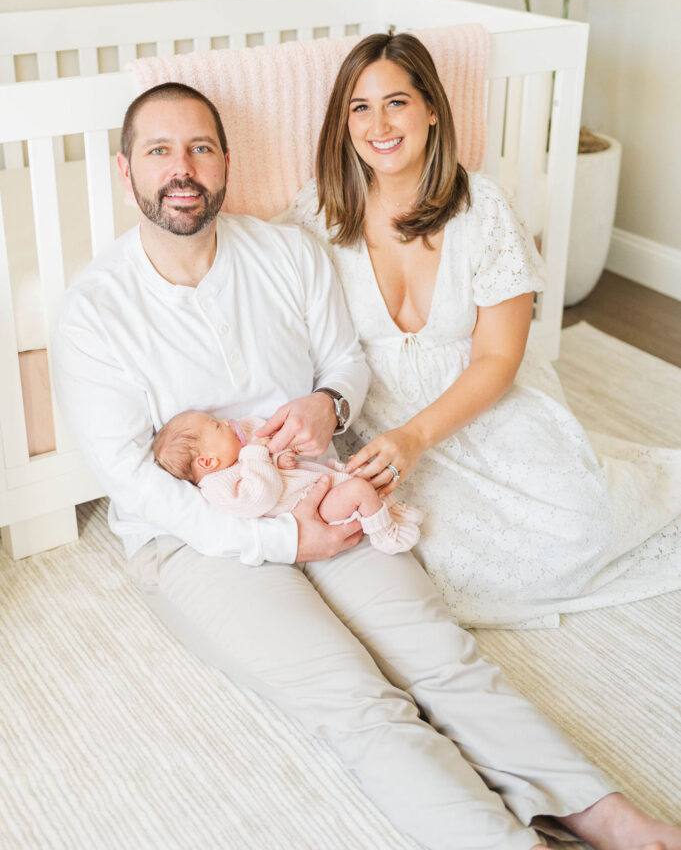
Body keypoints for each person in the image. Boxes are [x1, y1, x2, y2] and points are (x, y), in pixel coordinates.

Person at [52, 81, 680, 850]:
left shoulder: (283, 252)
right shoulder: (94, 308)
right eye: (159, 151)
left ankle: (602, 813)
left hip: (319, 487)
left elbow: (343, 363)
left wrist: (329, 406)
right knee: (356, 701)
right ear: (127, 172)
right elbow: (132, 479)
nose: (181, 168)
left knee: (441, 657)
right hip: (193, 539)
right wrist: (284, 546)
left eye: (200, 148)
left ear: (224, 164)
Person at [283, 31, 681, 631]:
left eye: (397, 102)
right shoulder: (317, 213)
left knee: (584, 523)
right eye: (359, 108)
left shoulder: (483, 207)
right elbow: (251, 277)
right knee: (426, 554)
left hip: (476, 400)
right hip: (377, 417)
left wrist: (417, 439)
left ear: (432, 109)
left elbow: (499, 356)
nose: (378, 124)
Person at [152, 409, 422, 554]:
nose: (225, 422)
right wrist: (257, 452)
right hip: (314, 513)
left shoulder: (238, 458)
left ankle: (384, 509)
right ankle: (384, 533)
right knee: (358, 489)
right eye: (217, 427)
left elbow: (270, 474)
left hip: (315, 487)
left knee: (357, 474)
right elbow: (261, 497)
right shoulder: (218, 486)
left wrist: (278, 460)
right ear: (208, 462)